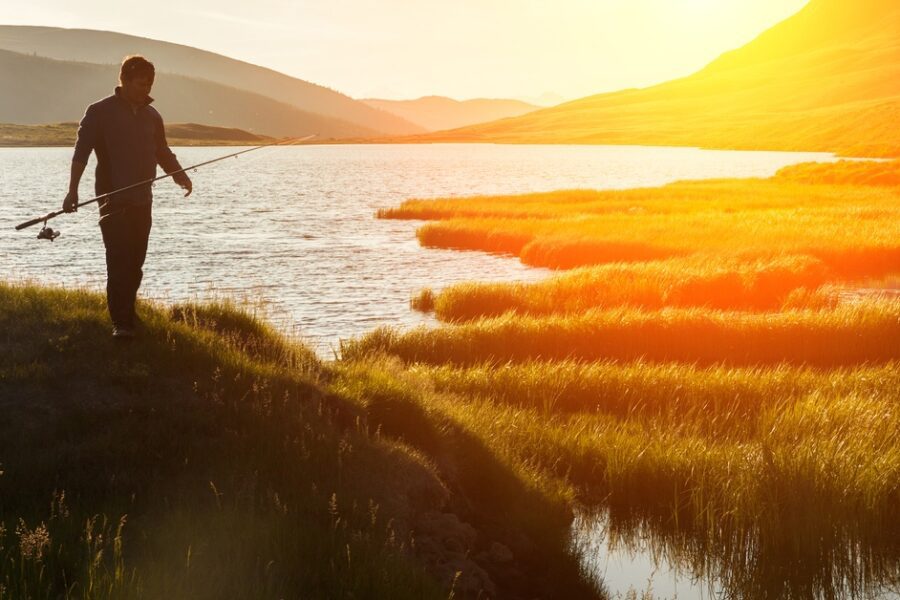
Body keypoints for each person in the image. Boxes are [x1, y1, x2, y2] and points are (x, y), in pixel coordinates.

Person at [63, 55, 192, 339]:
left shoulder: (152, 116)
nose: (145, 90)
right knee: (118, 259)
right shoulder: (99, 112)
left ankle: (127, 311)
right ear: (124, 79)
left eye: (149, 85)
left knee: (135, 262)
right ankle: (121, 324)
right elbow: (81, 152)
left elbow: (162, 152)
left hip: (143, 200)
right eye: (140, 84)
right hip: (112, 200)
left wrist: (180, 176)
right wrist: (72, 190)